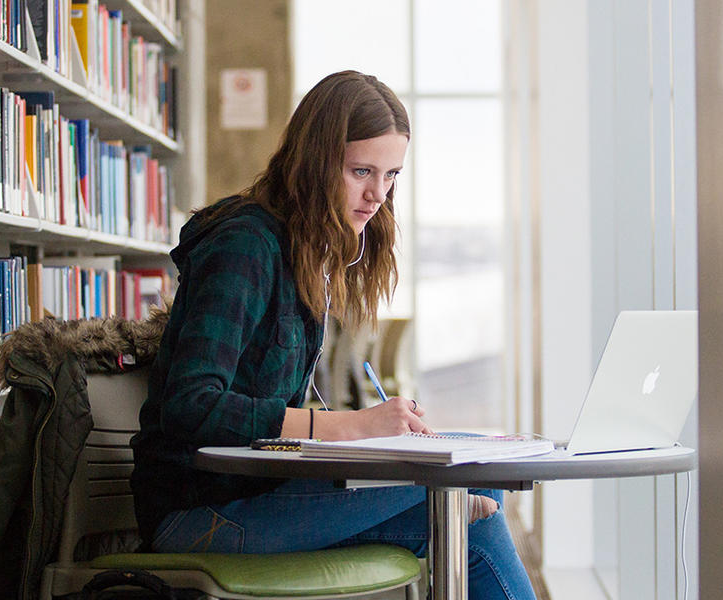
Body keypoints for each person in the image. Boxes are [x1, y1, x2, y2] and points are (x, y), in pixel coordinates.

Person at [130, 70, 537, 600]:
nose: (377, 194)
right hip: (201, 514)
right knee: (469, 501)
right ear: (315, 161)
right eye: (361, 171)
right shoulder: (245, 246)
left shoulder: (305, 253)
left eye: (391, 175)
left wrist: (363, 435)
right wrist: (349, 426)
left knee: (476, 496)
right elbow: (191, 405)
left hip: (256, 494)